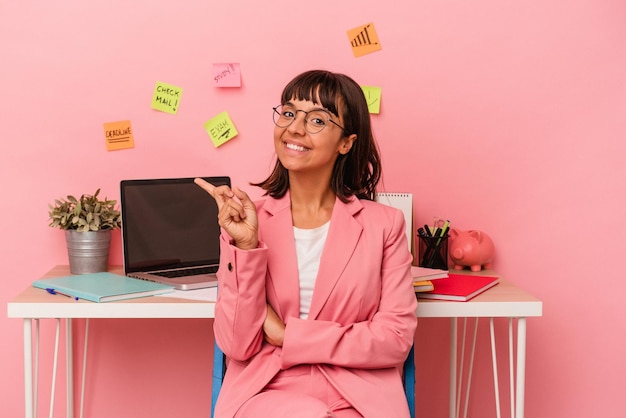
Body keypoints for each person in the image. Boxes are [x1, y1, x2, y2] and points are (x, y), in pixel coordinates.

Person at [195, 69, 417, 418]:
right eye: (288, 113)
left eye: (317, 120)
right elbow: (237, 344)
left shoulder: (384, 225)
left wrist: (288, 336)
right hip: (266, 389)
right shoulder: (247, 221)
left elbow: (394, 339)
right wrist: (248, 249)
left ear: (346, 142)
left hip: (357, 394)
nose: (294, 128)